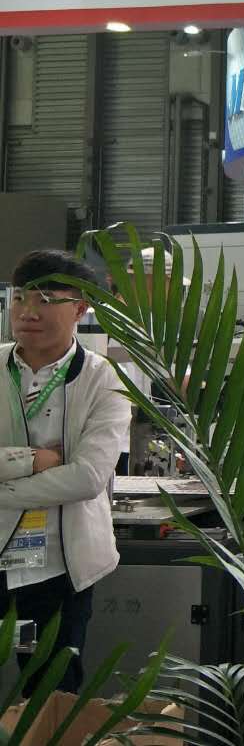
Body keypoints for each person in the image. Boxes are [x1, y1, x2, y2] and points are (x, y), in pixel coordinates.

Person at [0, 250, 131, 692]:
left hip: (58, 568)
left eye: (46, 299)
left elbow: (88, 477)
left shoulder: (104, 380)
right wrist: (33, 460)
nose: (28, 312)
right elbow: (69, 474)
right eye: (21, 297)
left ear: (80, 308)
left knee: (51, 694)